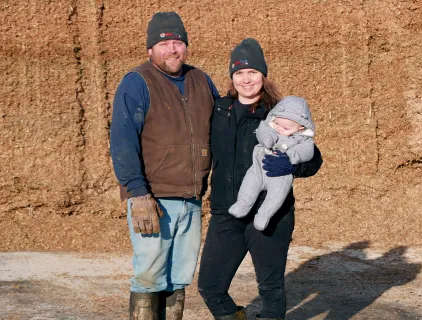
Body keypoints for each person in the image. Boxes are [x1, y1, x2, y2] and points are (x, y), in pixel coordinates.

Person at [198, 38, 323, 320]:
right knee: (210, 286)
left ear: (263, 75)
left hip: (271, 214)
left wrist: (289, 165)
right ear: (231, 77)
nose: (246, 79)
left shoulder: (280, 112)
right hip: (226, 212)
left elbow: (314, 158)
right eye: (239, 73)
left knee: (270, 289)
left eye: (253, 72)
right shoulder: (218, 110)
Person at [109, 11, 219, 320]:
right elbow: (122, 140)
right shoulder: (137, 82)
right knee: (149, 276)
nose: (172, 49)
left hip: (191, 198)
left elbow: (221, 128)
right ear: (150, 50)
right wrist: (138, 193)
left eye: (178, 42)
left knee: (179, 277)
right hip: (153, 200)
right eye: (164, 43)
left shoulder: (200, 80)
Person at [229, 95, 316, 231]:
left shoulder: (303, 140)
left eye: (285, 128)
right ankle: (242, 204)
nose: (279, 129)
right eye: (277, 124)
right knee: (249, 184)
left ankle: (264, 215)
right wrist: (267, 138)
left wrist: (292, 157)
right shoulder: (269, 125)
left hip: (280, 175)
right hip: (259, 167)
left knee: (276, 196)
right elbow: (263, 131)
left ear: (301, 128)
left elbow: (308, 151)